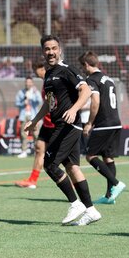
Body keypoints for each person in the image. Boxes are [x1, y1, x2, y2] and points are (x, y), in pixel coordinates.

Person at [24, 35, 101, 226]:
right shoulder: (49, 74)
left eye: (54, 48)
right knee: (72, 167)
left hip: (69, 125)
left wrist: (74, 109)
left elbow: (87, 91)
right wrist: (34, 121)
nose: (50, 52)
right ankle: (91, 210)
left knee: (49, 164)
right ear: (43, 52)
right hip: (61, 124)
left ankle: (75, 203)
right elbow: (49, 104)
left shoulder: (67, 70)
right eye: (47, 49)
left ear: (60, 50)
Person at [79, 50, 126, 205]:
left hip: (104, 124)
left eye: (82, 66)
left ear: (86, 64)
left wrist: (89, 123)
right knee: (108, 158)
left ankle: (116, 183)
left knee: (90, 156)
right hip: (115, 122)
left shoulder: (92, 79)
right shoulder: (108, 79)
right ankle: (109, 196)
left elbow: (96, 102)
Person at [15, 61, 54, 189]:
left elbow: (52, 104)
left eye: (37, 69)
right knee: (39, 148)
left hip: (57, 125)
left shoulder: (52, 81)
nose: (36, 72)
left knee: (66, 161)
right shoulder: (44, 83)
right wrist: (36, 121)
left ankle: (78, 188)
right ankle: (32, 180)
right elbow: (46, 105)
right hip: (47, 123)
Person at [15, 76, 42, 158]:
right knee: (23, 134)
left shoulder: (35, 92)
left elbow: (40, 101)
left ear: (32, 83)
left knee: (36, 134)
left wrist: (32, 97)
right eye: (27, 82)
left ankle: (37, 151)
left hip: (33, 116)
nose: (28, 84)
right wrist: (24, 102)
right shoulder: (21, 92)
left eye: (30, 82)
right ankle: (24, 151)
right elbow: (16, 103)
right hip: (24, 115)